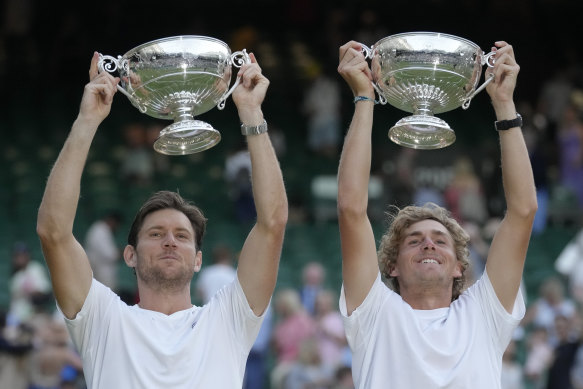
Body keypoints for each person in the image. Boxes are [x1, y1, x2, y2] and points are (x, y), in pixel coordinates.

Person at [36, 51, 288, 388]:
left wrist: (252, 112)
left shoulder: (227, 319)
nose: (170, 240)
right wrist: (87, 121)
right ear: (129, 255)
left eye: (182, 236)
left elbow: (272, 224)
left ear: (198, 260)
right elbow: (53, 232)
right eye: (156, 234)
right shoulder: (104, 319)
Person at [336, 40, 537, 388]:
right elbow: (352, 209)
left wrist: (505, 104)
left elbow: (522, 211)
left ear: (460, 265)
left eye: (439, 240)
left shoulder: (484, 314)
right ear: (392, 265)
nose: (428, 245)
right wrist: (364, 98)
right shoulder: (375, 314)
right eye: (414, 241)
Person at [84, 210, 122, 291]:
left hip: (98, 273)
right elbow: (110, 254)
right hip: (101, 274)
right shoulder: (101, 230)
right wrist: (122, 252)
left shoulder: (99, 229)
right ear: (112, 221)